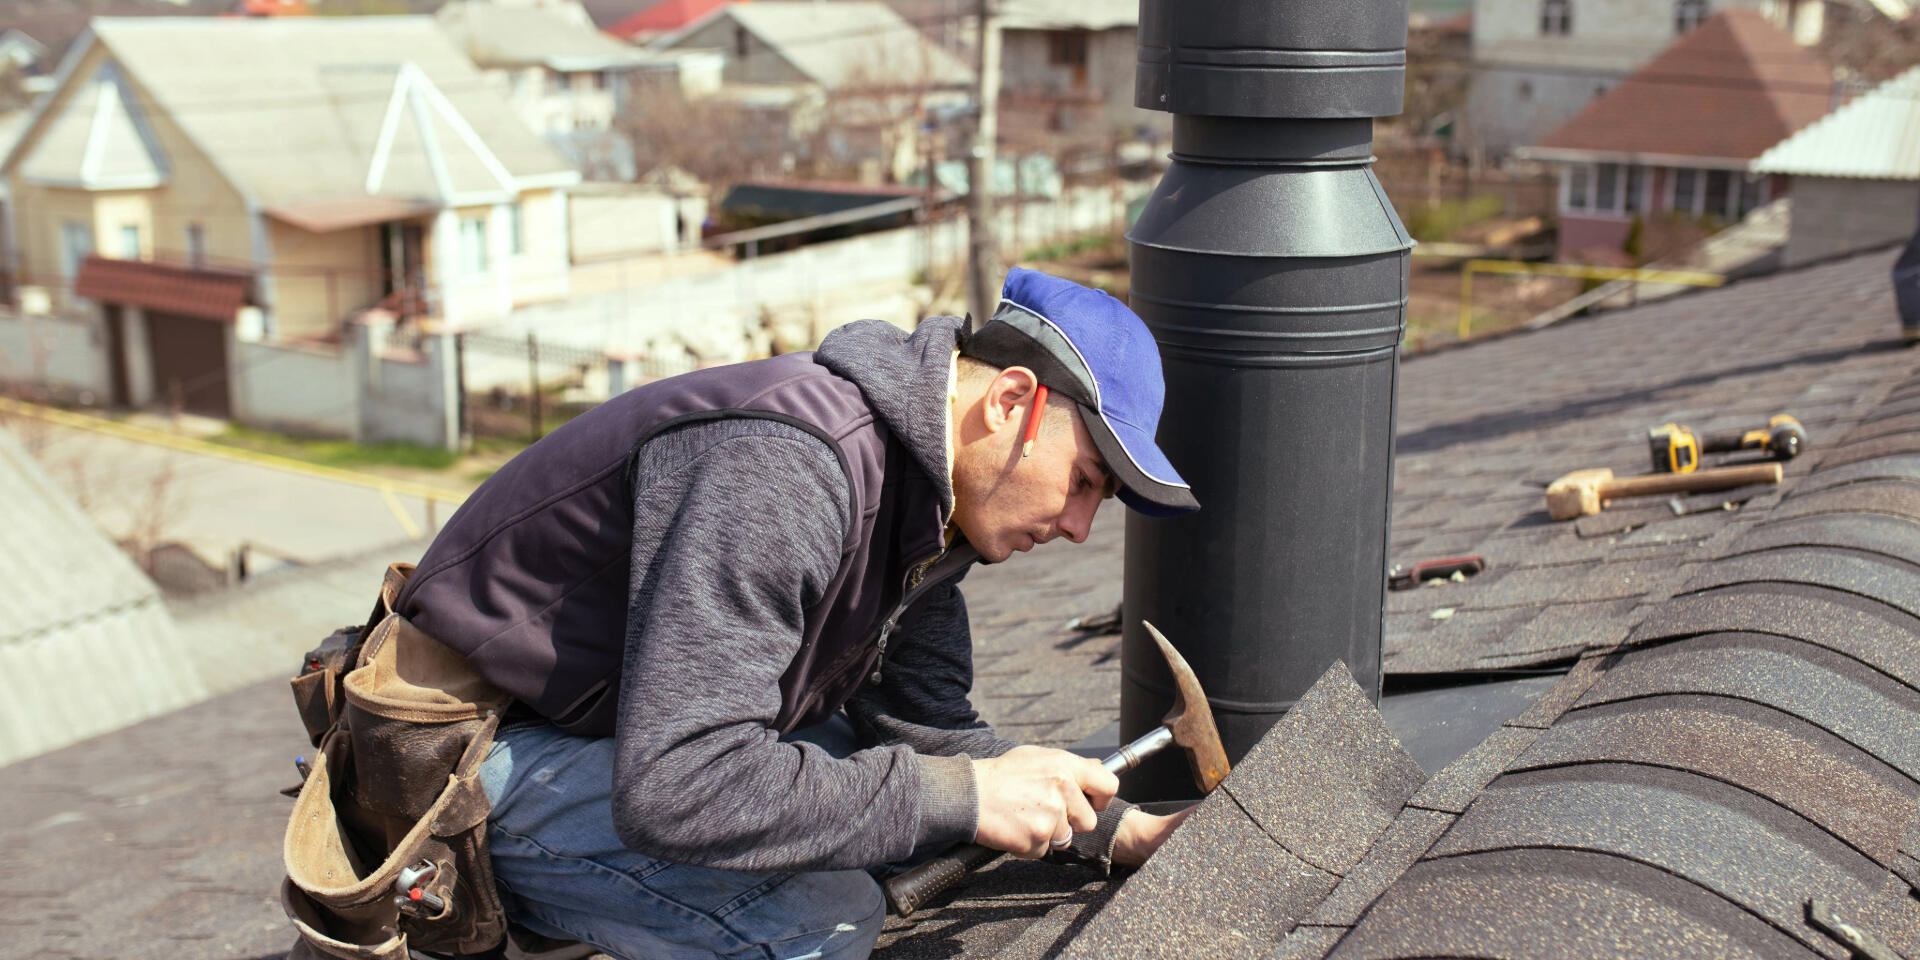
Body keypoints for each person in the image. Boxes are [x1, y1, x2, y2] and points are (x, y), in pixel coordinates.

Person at [391, 268, 1201, 960]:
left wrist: (1116, 830)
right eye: (1086, 480)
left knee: (897, 800)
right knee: (820, 920)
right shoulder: (788, 467)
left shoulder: (927, 505)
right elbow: (679, 785)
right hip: (471, 762)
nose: (1078, 527)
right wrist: (962, 796)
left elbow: (923, 732)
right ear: (1011, 400)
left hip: (615, 736)